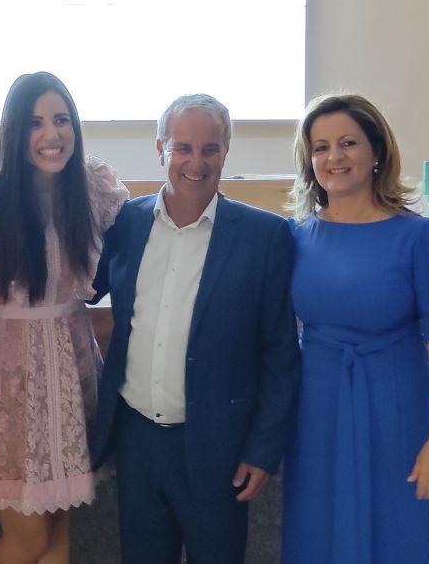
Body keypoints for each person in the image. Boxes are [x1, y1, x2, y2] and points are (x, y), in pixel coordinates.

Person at [87, 94, 300, 563]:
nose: (196, 163)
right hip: (137, 441)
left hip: (219, 447)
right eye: (183, 148)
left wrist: (264, 449)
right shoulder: (125, 223)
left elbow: (280, 354)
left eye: (210, 149)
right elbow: (79, 285)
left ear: (226, 152)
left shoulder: (264, 237)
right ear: (160, 149)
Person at [0, 71, 128, 564]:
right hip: (9, 377)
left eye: (61, 120)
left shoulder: (92, 189)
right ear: (14, 131)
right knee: (29, 538)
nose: (51, 134)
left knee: (59, 531)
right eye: (35, 122)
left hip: (71, 366)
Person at [280, 93, 429, 563]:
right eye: (321, 147)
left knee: (402, 532)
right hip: (317, 411)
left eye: (348, 143)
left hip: (396, 409)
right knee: (320, 531)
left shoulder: (420, 238)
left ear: (377, 150)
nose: (334, 157)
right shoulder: (296, 238)